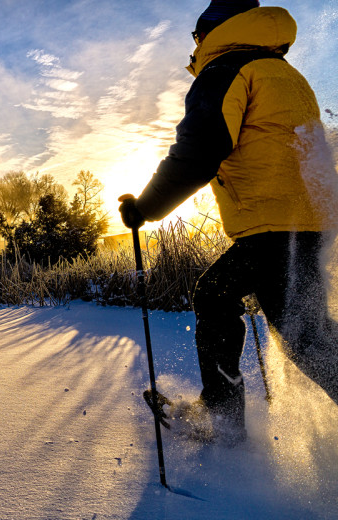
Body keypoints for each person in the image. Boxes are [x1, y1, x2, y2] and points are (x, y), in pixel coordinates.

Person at [119, 0, 338, 444]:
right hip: (312, 220)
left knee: (293, 332)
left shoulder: (226, 69)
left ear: (216, 32)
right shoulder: (282, 73)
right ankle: (220, 413)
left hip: (274, 226)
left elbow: (200, 150)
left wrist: (145, 208)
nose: (195, 48)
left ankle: (220, 420)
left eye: (198, 38)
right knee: (308, 336)